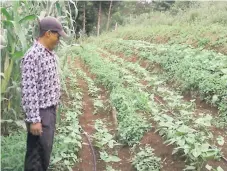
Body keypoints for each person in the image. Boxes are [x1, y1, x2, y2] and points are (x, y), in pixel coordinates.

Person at [21, 16, 67, 171]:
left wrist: (55, 104)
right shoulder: (33, 56)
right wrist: (34, 120)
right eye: (57, 35)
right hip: (40, 114)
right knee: (36, 156)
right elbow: (29, 89)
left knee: (45, 152)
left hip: (49, 111)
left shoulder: (49, 54)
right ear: (48, 33)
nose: (59, 39)